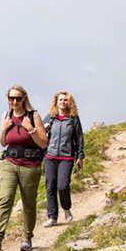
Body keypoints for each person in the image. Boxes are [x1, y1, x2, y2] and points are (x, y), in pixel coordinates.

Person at [0, 85, 48, 251]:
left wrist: (30, 129)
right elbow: (3, 142)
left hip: (30, 165)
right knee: (5, 198)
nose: (14, 101)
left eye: (18, 98)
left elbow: (43, 143)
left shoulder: (33, 116)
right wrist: (4, 129)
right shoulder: (6, 116)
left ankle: (27, 237)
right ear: (8, 99)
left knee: (28, 202)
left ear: (24, 98)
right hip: (9, 163)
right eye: (11, 98)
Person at [42, 90, 84, 227]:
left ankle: (66, 208)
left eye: (65, 100)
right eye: (60, 100)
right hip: (50, 156)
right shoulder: (50, 117)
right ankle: (52, 217)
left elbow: (79, 138)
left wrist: (80, 156)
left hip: (66, 157)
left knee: (63, 185)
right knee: (50, 186)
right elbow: (40, 134)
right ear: (56, 102)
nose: (63, 102)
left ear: (69, 102)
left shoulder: (73, 118)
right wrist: (45, 128)